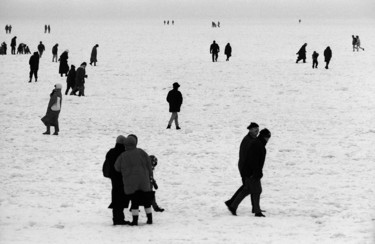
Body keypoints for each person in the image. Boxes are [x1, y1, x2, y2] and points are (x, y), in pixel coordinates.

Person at [226, 127, 271, 217]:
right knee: (256, 190)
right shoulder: (258, 145)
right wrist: (256, 173)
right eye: (268, 137)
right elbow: (254, 161)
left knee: (249, 190)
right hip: (251, 173)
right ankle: (236, 206)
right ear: (265, 137)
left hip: (250, 172)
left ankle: (234, 206)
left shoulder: (258, 143)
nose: (268, 139)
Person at [114, 135, 154, 226]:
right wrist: (150, 175)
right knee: (147, 201)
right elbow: (149, 164)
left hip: (131, 183)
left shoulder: (123, 156)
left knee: (134, 202)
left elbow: (117, 168)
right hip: (144, 181)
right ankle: (150, 219)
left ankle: (135, 221)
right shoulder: (141, 152)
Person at [225, 122, 259, 215]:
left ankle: (232, 203)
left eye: (257, 129)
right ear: (250, 130)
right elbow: (245, 156)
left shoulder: (253, 139)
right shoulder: (248, 140)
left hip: (246, 167)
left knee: (248, 186)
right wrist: (247, 170)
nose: (257, 130)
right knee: (248, 187)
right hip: (245, 167)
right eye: (255, 129)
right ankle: (232, 204)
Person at [104, 135, 131, 225]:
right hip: (123, 178)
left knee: (115, 197)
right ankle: (120, 219)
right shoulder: (124, 152)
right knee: (122, 197)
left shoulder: (111, 152)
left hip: (113, 178)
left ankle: (116, 218)